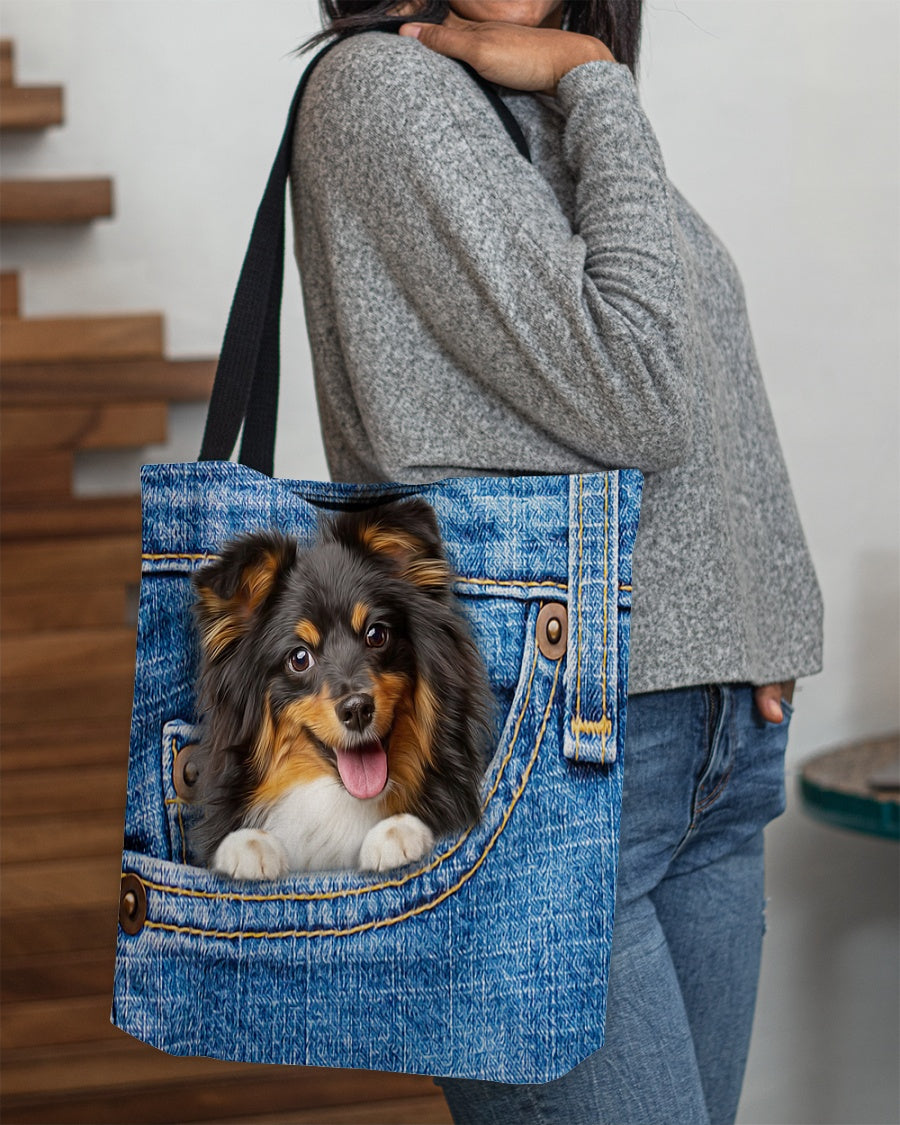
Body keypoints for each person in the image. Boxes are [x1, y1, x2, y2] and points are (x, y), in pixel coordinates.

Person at [289, 2, 824, 1122]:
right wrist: (599, 78)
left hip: (703, 750)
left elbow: (701, 365)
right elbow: (639, 390)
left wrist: (750, 628)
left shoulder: (531, 96)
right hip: (547, 756)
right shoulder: (388, 90)